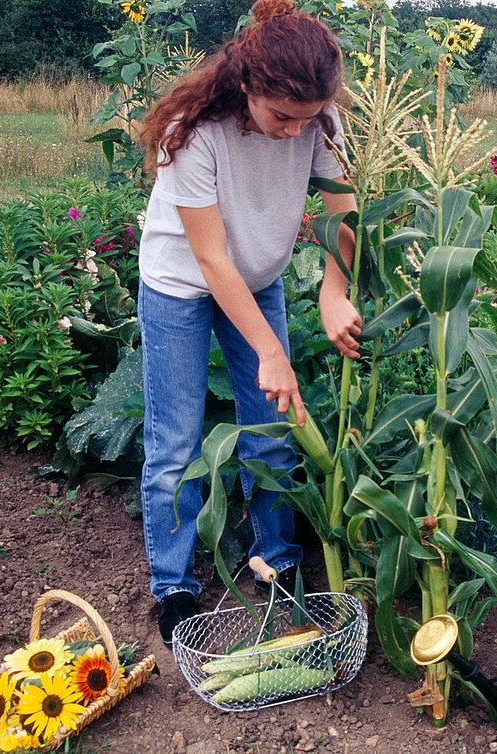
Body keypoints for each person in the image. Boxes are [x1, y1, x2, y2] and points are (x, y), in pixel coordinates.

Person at [136, 0, 360, 646]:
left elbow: (343, 215)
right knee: (176, 440)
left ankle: (277, 560)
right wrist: (269, 349)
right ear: (249, 87)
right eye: (283, 117)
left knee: (271, 431)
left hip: (258, 280)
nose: (296, 132)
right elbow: (210, 257)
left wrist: (332, 289)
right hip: (182, 285)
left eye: (308, 118)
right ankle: (174, 586)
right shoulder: (194, 129)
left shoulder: (319, 122)